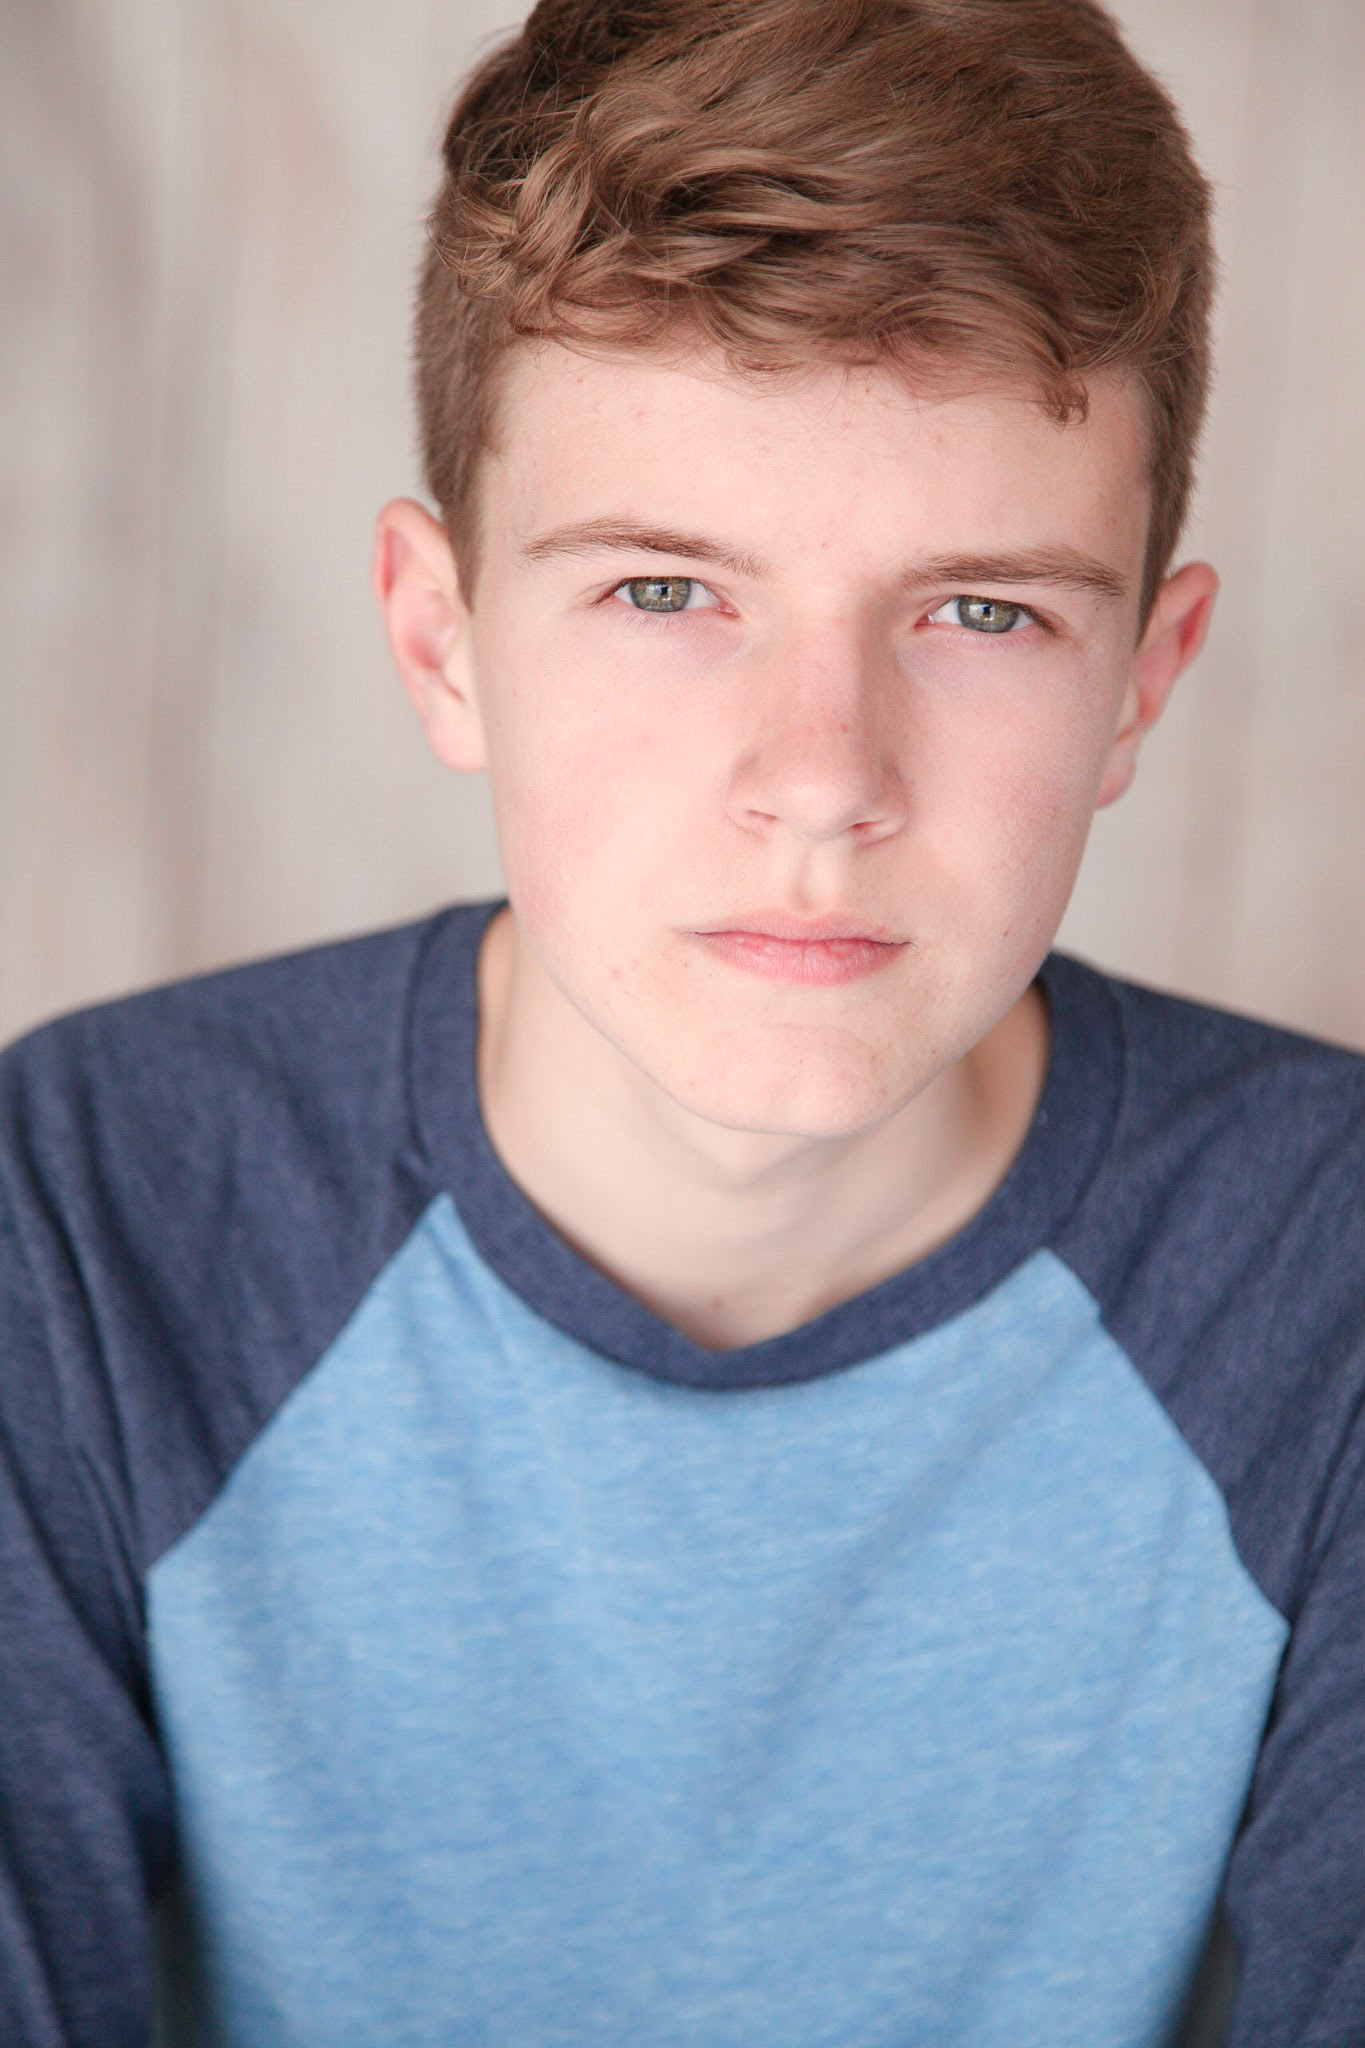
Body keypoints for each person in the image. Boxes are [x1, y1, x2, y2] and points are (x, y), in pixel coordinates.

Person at [1, 0, 1359, 2041]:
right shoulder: (82, 1212)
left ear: (1141, 685)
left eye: (982, 610)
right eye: (662, 591)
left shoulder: (1325, 1268)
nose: (820, 779)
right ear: (442, 640)